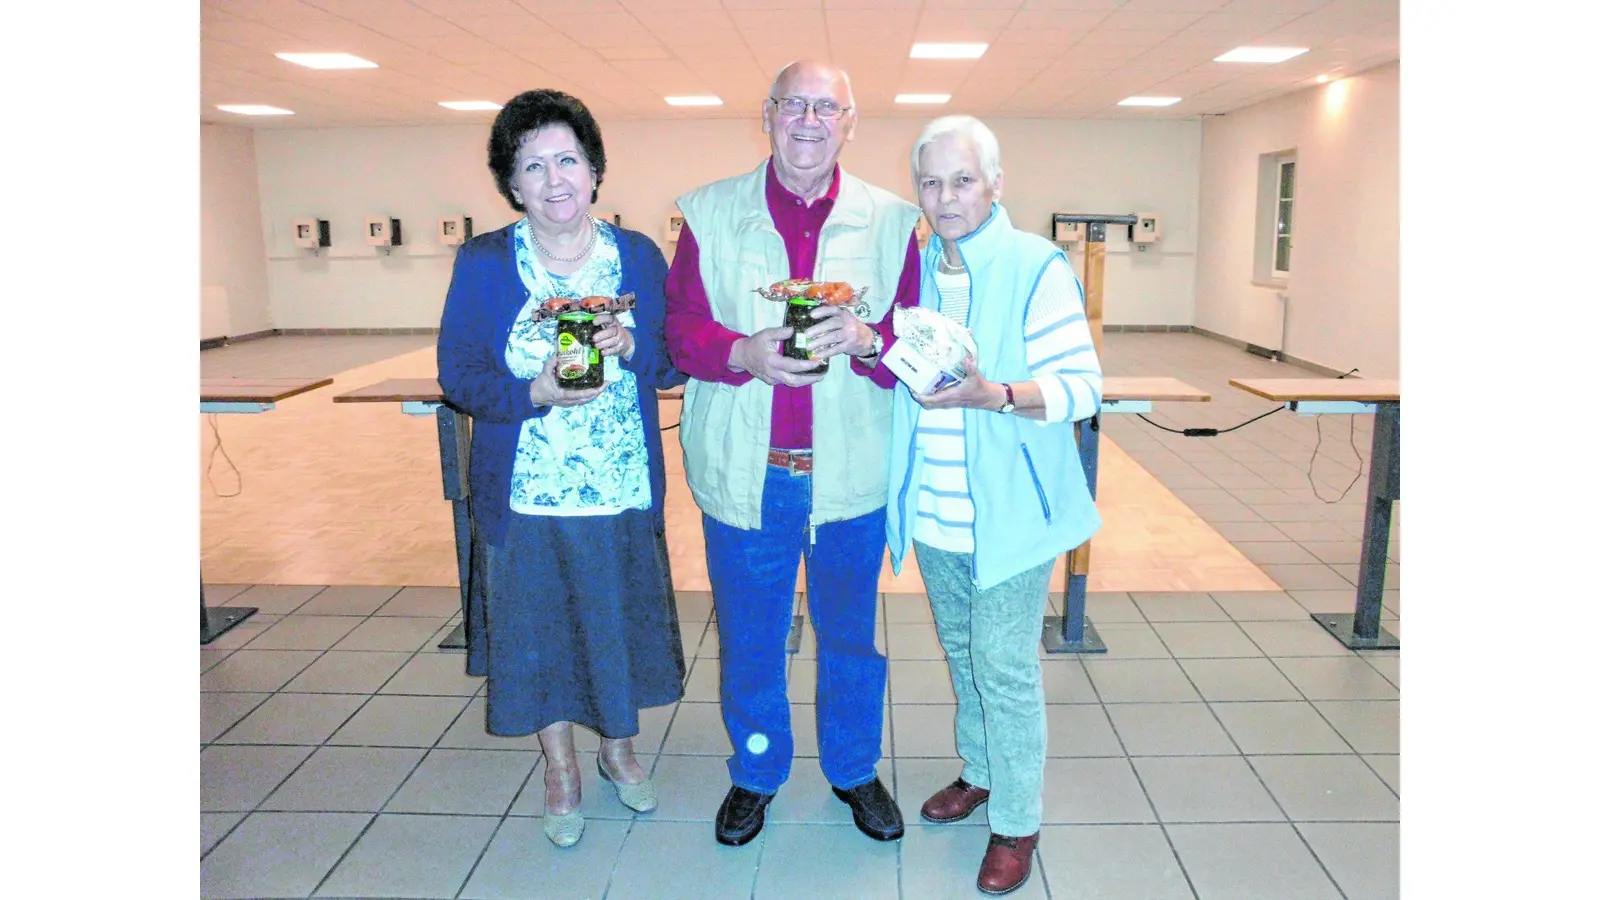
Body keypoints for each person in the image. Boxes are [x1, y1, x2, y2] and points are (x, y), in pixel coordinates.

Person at [663, 59, 924, 847]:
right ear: (768, 115)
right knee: (750, 639)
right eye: (793, 105)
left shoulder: (892, 223)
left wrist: (869, 338)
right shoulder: (709, 214)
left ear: (850, 123)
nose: (809, 121)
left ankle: (852, 768)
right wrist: (742, 351)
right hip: (747, 474)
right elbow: (681, 329)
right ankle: (756, 772)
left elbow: (915, 342)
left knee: (850, 639)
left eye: (826, 108)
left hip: (850, 474)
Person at [436, 89, 688, 849]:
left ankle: (619, 749)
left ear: (595, 169)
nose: (555, 180)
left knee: (614, 625)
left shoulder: (637, 256)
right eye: (533, 165)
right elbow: (459, 373)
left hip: (619, 488)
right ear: (512, 184)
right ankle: (561, 769)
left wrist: (631, 345)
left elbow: (671, 362)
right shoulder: (485, 262)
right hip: (526, 495)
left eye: (568, 160)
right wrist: (532, 394)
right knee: (539, 632)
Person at [886, 115, 1103, 895]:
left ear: (995, 184)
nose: (946, 197)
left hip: (1011, 514)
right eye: (932, 182)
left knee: (1004, 665)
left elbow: (1082, 388)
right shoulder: (913, 270)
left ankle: (1016, 820)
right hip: (938, 511)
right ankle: (980, 772)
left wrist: (998, 395)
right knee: (963, 652)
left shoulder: (1036, 266)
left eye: (963, 180)